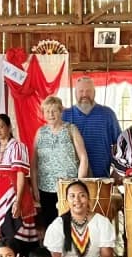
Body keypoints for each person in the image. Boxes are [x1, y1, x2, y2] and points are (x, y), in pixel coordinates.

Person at [42, 180, 125, 257]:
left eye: (82, 195)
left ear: (88, 198)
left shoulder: (101, 222)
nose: (77, 200)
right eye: (72, 196)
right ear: (66, 201)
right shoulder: (58, 225)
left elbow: (107, 256)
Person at [32, 96, 89, 229]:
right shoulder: (40, 132)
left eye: (54, 111)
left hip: (68, 187)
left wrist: (79, 184)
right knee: (51, 226)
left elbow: (83, 158)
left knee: (70, 225)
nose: (51, 114)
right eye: (47, 111)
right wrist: (35, 188)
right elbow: (33, 163)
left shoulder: (71, 129)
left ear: (61, 111)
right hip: (45, 188)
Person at [0, 114, 37, 256]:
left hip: (14, 194)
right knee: (5, 231)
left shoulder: (18, 147)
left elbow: (21, 174)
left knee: (18, 229)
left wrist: (18, 201)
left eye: (1, 126)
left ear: (9, 127)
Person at [62, 77, 120, 178]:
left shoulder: (108, 114)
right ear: (75, 93)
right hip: (72, 179)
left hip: (101, 177)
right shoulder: (64, 115)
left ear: (94, 93)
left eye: (88, 91)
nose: (84, 94)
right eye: (81, 91)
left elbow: (120, 145)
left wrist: (117, 170)